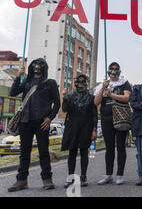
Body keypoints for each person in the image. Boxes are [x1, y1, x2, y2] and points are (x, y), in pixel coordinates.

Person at [8, 58, 60, 192]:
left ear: (44, 68)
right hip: (25, 121)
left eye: (40, 65)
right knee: (24, 152)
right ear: (31, 67)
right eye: (35, 65)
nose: (37, 67)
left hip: (42, 122)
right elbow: (12, 93)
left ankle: (47, 179)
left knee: (43, 152)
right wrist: (18, 75)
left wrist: (50, 118)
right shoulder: (26, 81)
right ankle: (21, 180)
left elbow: (57, 103)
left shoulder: (50, 83)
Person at [94, 62, 132, 185]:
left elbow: (126, 98)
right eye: (112, 69)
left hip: (121, 116)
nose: (114, 71)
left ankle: (120, 175)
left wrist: (112, 95)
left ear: (119, 71)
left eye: (116, 69)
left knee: (121, 146)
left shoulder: (124, 83)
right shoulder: (102, 84)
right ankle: (108, 174)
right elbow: (96, 102)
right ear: (108, 71)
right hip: (106, 118)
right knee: (109, 147)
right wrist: (102, 89)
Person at [61, 74, 98, 188]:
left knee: (84, 153)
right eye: (79, 82)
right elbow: (64, 109)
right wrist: (65, 97)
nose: (81, 84)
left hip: (86, 127)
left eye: (83, 82)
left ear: (86, 84)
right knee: (72, 153)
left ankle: (83, 177)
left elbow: (94, 115)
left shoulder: (91, 98)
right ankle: (70, 177)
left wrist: (94, 129)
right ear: (75, 83)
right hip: (72, 127)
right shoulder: (70, 96)